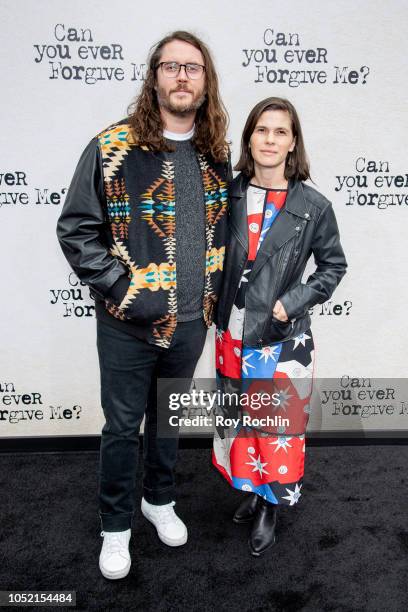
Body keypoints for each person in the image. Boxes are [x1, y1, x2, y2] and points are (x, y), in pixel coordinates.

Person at [57, 30, 230, 579]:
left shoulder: (216, 153)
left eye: (193, 68)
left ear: (206, 81)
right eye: (171, 66)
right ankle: (115, 526)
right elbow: (78, 229)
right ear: (153, 76)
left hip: (191, 323)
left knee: (168, 421)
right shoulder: (113, 145)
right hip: (127, 324)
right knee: (122, 426)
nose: (182, 76)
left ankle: (159, 501)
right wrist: (125, 291)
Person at [212, 97, 347, 556]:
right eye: (262, 130)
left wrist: (293, 303)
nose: (270, 139)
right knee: (240, 417)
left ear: (293, 142)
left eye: (280, 132)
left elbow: (332, 267)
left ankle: (270, 504)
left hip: (282, 338)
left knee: (277, 425)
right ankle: (251, 488)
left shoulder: (313, 205)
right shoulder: (227, 195)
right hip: (231, 330)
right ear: (250, 137)